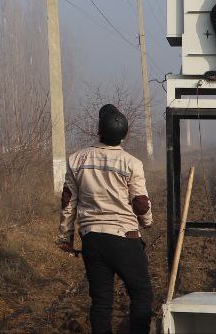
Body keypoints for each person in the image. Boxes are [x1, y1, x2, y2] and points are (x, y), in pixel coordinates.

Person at [58, 105, 154, 334]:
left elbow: (68, 201)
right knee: (141, 293)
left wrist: (66, 236)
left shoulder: (76, 160)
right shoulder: (132, 163)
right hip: (125, 239)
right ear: (125, 135)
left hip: (92, 240)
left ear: (98, 131)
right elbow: (140, 202)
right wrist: (147, 222)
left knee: (101, 301)